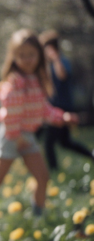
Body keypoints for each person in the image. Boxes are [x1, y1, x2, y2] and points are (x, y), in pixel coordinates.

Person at [0, 29, 78, 225]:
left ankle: (38, 217)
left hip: (26, 135)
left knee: (42, 177)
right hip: (10, 136)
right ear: (14, 57)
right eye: (21, 55)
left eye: (31, 55)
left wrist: (62, 116)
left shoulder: (38, 81)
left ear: (39, 55)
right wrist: (16, 135)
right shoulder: (14, 82)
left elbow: (43, 109)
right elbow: (10, 112)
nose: (27, 59)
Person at [39, 30, 94, 171]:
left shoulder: (62, 61)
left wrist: (56, 58)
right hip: (54, 107)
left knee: (49, 142)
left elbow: (62, 75)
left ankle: (54, 171)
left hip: (63, 107)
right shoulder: (47, 65)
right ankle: (91, 155)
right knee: (65, 142)